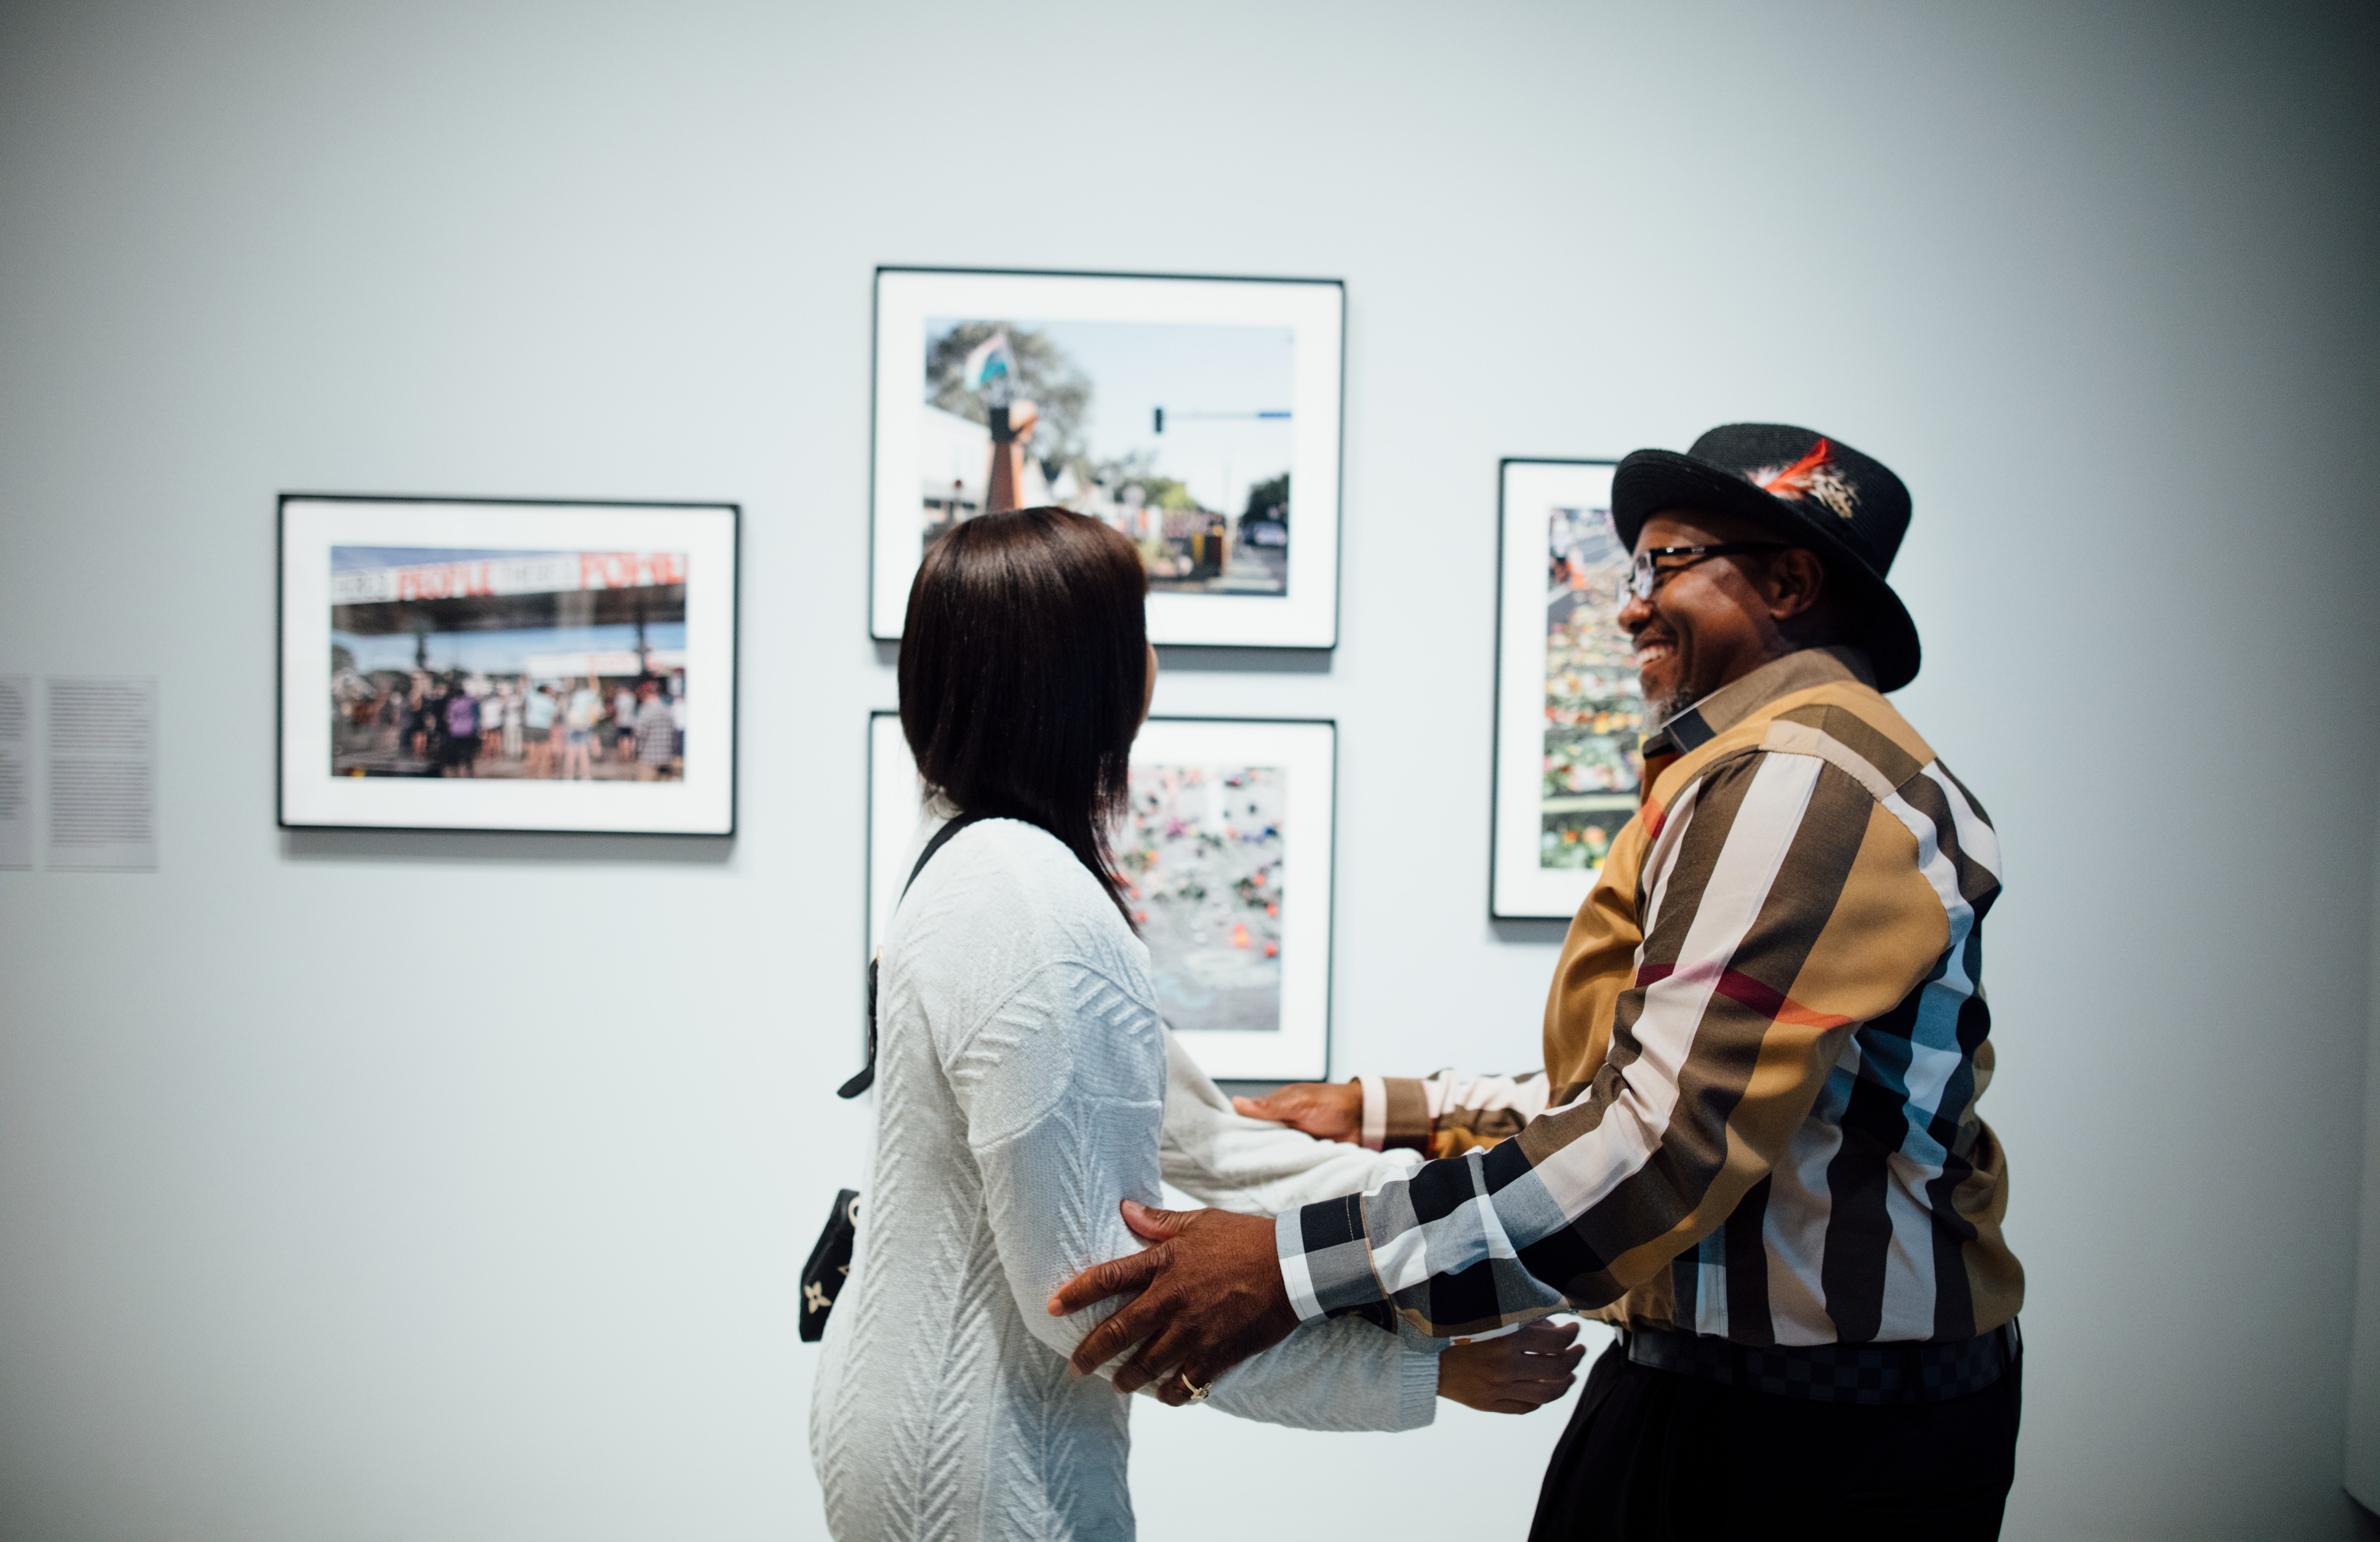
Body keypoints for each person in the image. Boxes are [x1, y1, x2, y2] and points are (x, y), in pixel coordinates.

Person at [1053, 425, 2026, 1537]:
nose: (1625, 606)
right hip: (1745, 1398)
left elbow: (1655, 1149)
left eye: (1663, 563)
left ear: (1790, 580)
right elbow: (1654, 1081)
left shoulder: (1799, 780)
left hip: (1808, 1440)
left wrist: (1290, 1265)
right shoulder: (1767, 769)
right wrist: (1388, 1113)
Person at [810, 508, 1581, 1542]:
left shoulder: (971, 863)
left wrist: (1460, 1208)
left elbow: (1205, 1142)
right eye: (1137, 629)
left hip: (920, 1428)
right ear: (1099, 675)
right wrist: (1422, 1367)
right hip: (984, 1474)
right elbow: (1099, 1300)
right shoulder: (1037, 912)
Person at [631, 677, 676, 781]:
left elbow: (639, 733)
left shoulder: (646, 710)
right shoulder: (667, 710)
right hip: (667, 761)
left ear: (644, 694)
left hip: (649, 762)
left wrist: (636, 753)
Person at [563, 676, 602, 780]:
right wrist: (593, 676)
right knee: (584, 751)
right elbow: (596, 690)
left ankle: (568, 777)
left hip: (572, 724)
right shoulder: (589, 695)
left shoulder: (573, 695)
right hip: (584, 725)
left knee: (571, 752)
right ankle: (585, 777)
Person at [523, 683, 556, 778]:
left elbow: (528, 688)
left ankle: (533, 775)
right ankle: (546, 776)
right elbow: (554, 713)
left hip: (533, 727)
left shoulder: (532, 697)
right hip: (545, 728)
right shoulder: (550, 701)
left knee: (533, 753)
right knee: (545, 754)